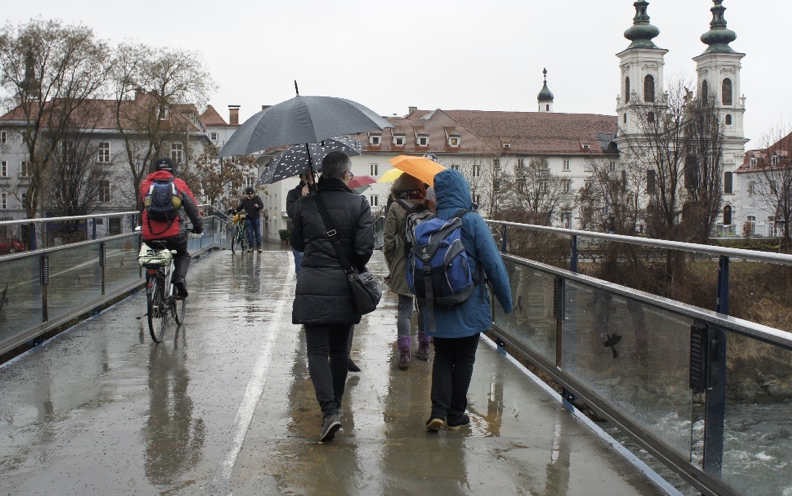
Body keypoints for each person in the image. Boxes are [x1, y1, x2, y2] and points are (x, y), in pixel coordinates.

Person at [290, 151, 373, 443]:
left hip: (312, 282)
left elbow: (298, 243)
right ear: (345, 174)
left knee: (315, 351)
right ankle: (335, 405)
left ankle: (328, 412)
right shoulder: (359, 203)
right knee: (339, 351)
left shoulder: (304, 204)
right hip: (344, 286)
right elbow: (364, 251)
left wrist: (307, 205)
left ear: (323, 174)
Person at [423, 169, 513, 432]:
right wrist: (506, 302)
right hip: (469, 304)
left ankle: (437, 411)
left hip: (437, 304)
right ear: (464, 192)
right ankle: (455, 415)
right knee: (463, 359)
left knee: (442, 355)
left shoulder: (430, 224)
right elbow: (494, 265)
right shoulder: (472, 221)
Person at [383, 174, 431, 370]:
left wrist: (392, 262)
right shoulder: (427, 204)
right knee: (424, 305)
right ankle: (425, 346)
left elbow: (388, 240)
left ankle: (404, 352)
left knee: (404, 308)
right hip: (426, 262)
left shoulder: (395, 207)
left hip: (404, 263)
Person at [140, 157, 203, 298]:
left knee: (151, 254)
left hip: (150, 234)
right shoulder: (179, 184)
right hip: (174, 234)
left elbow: (142, 209)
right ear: (172, 170)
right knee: (182, 255)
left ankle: (151, 282)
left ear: (156, 170)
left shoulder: (145, 185)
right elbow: (192, 208)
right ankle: (179, 279)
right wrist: (198, 226)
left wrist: (144, 227)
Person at [286, 172, 315, 277]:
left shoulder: (319, 192)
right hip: (300, 239)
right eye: (309, 174)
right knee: (301, 273)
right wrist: (302, 197)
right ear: (302, 177)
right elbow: (291, 213)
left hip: (317, 238)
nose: (312, 176)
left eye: (314, 174)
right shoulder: (293, 193)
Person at [231, 187, 264, 252]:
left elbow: (262, 205)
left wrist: (258, 206)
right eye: (249, 194)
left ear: (253, 194)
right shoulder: (245, 200)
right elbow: (240, 207)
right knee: (249, 232)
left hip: (256, 217)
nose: (250, 195)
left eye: (251, 194)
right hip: (248, 218)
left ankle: (259, 247)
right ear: (247, 195)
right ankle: (251, 247)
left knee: (257, 232)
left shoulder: (257, 198)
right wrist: (235, 210)